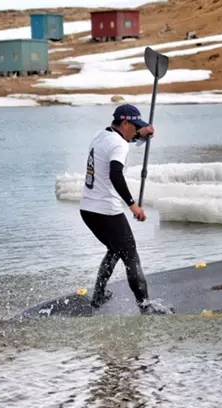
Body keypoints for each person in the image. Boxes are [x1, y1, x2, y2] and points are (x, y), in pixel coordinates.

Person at [80, 104, 170, 315]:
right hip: (106, 210)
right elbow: (115, 174)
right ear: (125, 123)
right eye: (134, 126)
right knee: (130, 254)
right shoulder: (119, 145)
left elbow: (127, 139)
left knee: (115, 249)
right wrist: (132, 204)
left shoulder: (101, 135)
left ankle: (99, 295)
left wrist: (143, 134)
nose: (135, 132)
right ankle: (145, 305)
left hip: (88, 210)